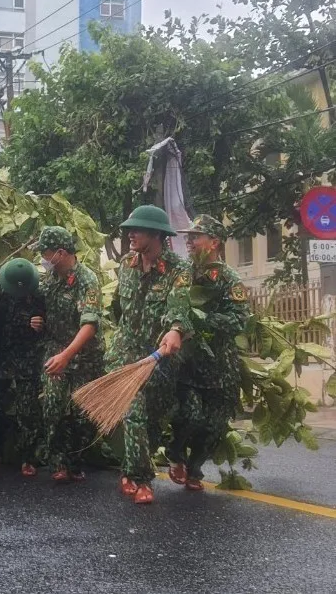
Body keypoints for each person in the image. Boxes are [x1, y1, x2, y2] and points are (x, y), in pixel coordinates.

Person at [107, 206, 193, 504]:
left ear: (156, 234)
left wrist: (176, 329)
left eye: (138, 229)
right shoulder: (126, 264)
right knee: (133, 413)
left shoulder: (177, 270)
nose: (131, 233)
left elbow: (178, 306)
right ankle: (143, 480)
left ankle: (129, 470)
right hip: (125, 353)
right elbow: (119, 308)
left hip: (158, 356)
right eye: (130, 229)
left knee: (152, 421)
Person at [169, 215, 249, 491]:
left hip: (221, 368)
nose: (189, 241)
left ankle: (195, 469)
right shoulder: (183, 273)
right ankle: (175, 454)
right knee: (190, 415)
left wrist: (202, 319)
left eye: (196, 236)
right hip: (189, 364)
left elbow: (239, 321)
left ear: (214, 242)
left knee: (214, 426)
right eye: (188, 236)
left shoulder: (229, 279)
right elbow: (175, 306)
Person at [36, 227, 105, 483]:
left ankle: (76, 463)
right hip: (55, 351)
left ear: (61, 253)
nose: (43, 258)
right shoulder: (50, 279)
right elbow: (43, 309)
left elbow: (89, 325)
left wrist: (67, 356)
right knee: (52, 405)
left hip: (85, 357)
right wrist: (37, 321)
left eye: (45, 253)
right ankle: (58, 462)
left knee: (82, 414)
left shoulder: (87, 281)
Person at [0, 258, 46, 477]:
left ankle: (29, 457)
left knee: (28, 411)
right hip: (2, 358)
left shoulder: (40, 296)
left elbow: (52, 325)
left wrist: (41, 324)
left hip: (28, 361)